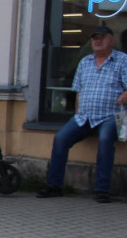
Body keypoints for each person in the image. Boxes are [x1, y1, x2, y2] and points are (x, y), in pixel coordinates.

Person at [37, 25, 127, 204]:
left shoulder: (122, 60)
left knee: (105, 140)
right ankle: (54, 186)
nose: (97, 41)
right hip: (84, 116)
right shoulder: (85, 62)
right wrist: (78, 114)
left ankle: (102, 190)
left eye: (102, 37)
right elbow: (78, 91)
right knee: (60, 138)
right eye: (94, 38)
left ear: (112, 40)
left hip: (112, 115)